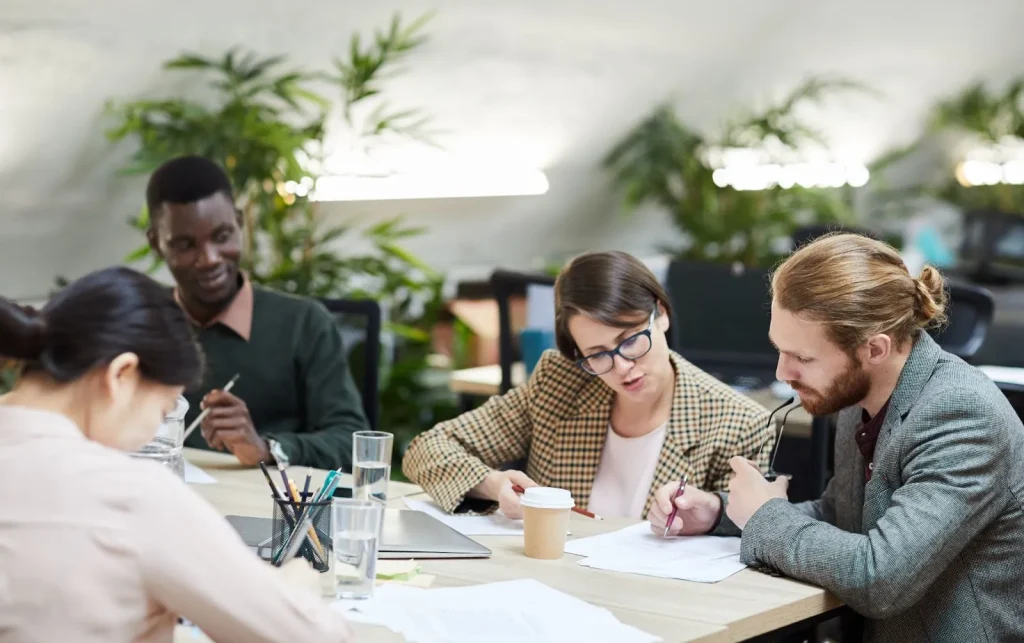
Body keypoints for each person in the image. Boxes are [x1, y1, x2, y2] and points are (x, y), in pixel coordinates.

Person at [650, 233, 1024, 642]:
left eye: (803, 358)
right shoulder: (860, 394)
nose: (782, 373)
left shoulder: (961, 414)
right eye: (780, 349)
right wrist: (718, 513)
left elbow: (880, 578)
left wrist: (763, 516)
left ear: (875, 349)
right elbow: (841, 516)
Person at [0, 267, 353, 642]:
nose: (152, 435)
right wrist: (296, 584)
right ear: (122, 375)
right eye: (163, 410)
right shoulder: (131, 496)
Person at [403, 250, 771, 520]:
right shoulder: (562, 383)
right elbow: (427, 449)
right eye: (597, 354)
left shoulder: (738, 423)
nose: (622, 367)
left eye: (630, 340)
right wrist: (492, 484)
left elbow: (752, 530)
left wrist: (710, 516)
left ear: (661, 314)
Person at [145, 155, 367, 470]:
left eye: (222, 236)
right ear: (156, 243)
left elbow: (351, 442)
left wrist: (266, 448)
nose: (209, 258)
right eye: (185, 245)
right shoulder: (141, 325)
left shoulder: (303, 324)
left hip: (269, 498)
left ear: (239, 222)